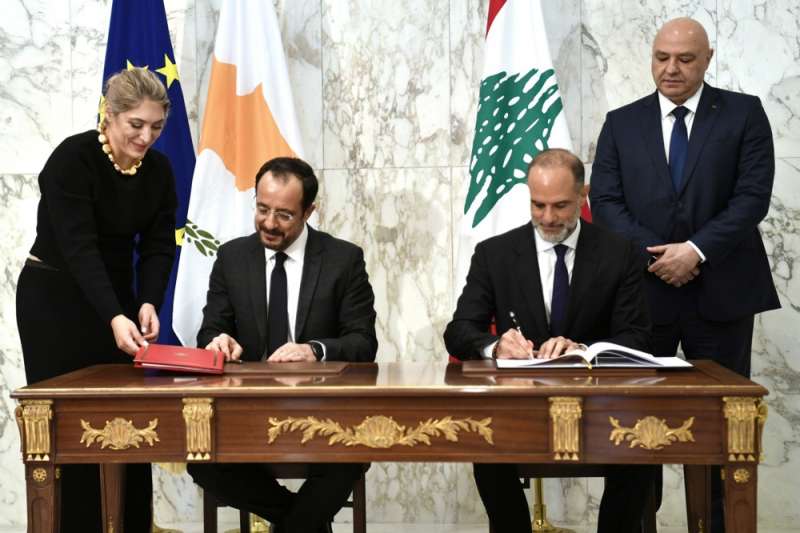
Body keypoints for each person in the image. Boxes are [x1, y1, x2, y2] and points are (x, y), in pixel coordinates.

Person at [589, 17, 779, 532]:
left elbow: (752, 198)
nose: (671, 69)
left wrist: (695, 251)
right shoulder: (621, 122)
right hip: (642, 297)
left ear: (707, 59)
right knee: (632, 429)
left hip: (721, 296)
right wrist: (659, 257)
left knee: (721, 428)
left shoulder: (743, 113)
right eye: (661, 57)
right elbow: (605, 201)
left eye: (685, 59)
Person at [444, 148, 654, 533]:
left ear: (583, 195)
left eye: (560, 206)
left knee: (640, 448)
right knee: (485, 445)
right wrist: (495, 345)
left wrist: (585, 350)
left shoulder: (619, 252)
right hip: (518, 405)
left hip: (600, 405)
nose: (547, 218)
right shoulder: (494, 254)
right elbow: (458, 332)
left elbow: (637, 336)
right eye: (537, 205)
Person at [16, 68, 177, 532]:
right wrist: (114, 315)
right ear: (110, 115)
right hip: (55, 300)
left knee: (127, 418)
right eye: (136, 125)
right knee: (70, 423)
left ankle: (129, 525)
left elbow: (159, 245)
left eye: (156, 127)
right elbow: (80, 248)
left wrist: (147, 301)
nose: (146, 137)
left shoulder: (159, 171)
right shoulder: (73, 159)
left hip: (116, 300)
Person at [187, 156, 378, 533]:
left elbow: (363, 342)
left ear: (309, 211)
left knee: (347, 460)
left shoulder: (343, 260)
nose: (270, 223)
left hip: (323, 411)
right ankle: (304, 524)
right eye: (262, 209)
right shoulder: (232, 257)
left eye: (284, 214)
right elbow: (211, 329)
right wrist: (217, 341)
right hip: (247, 411)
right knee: (203, 463)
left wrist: (314, 350)